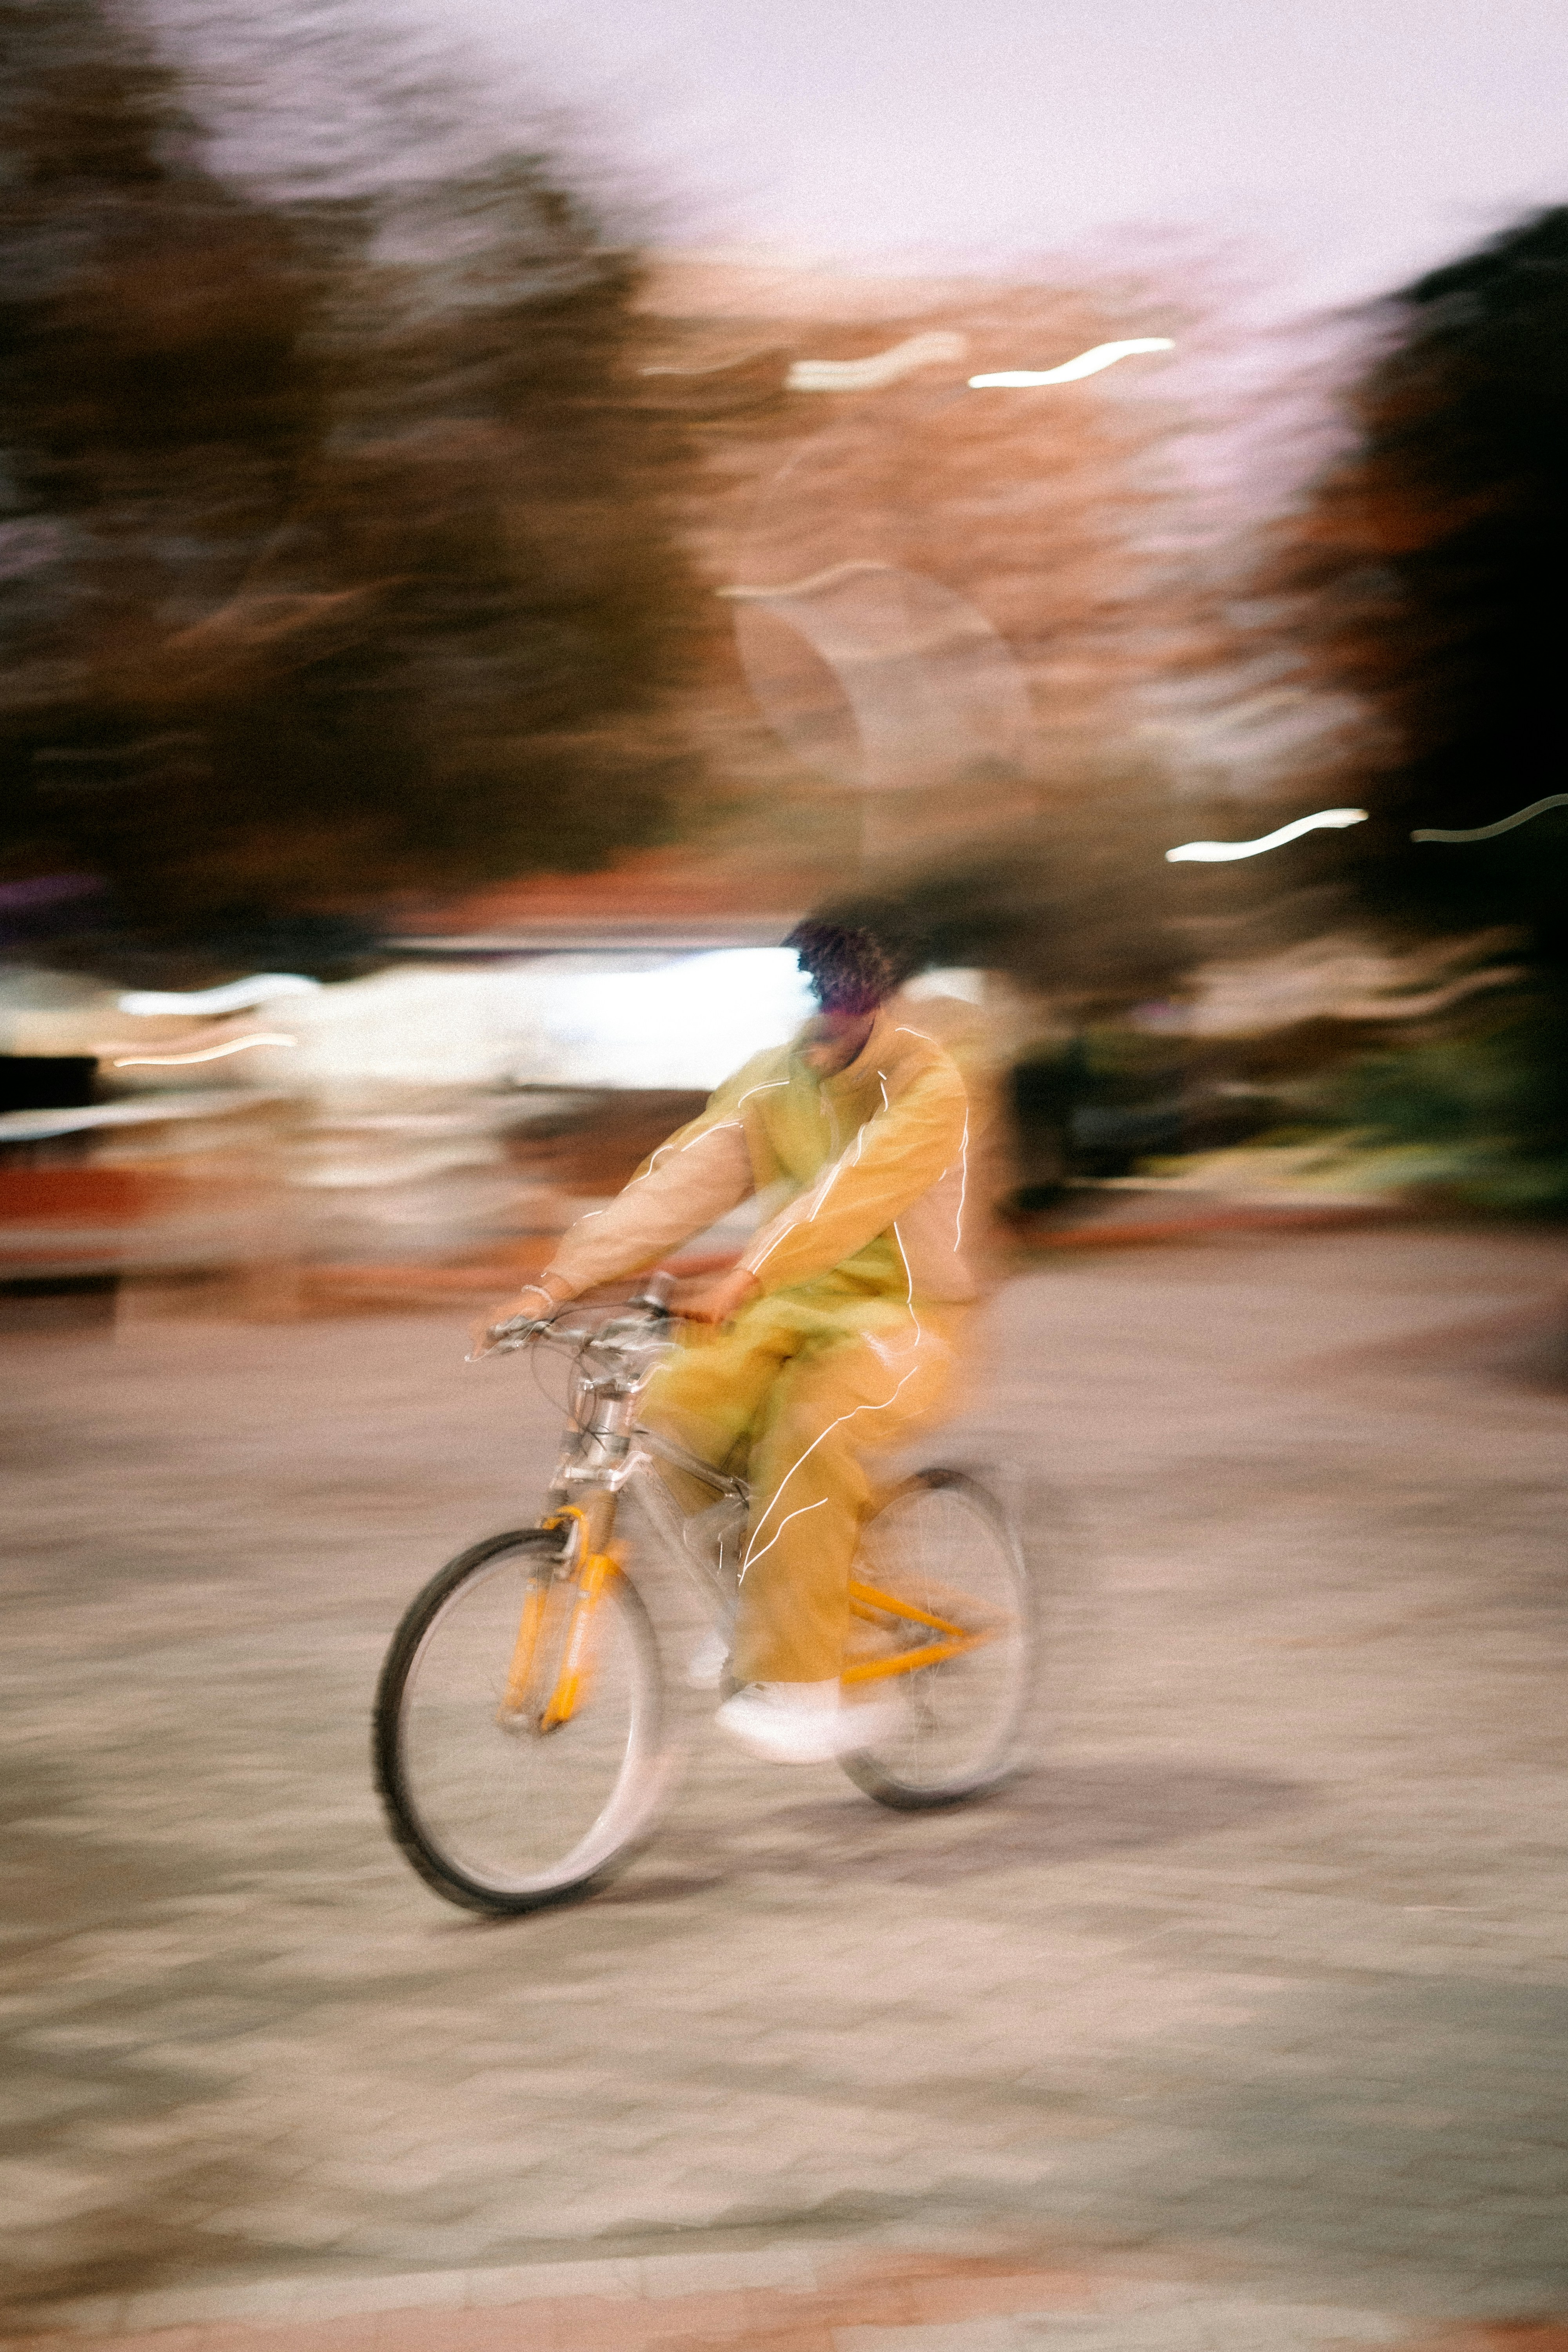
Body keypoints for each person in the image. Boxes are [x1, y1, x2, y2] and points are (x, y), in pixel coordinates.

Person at [478, 921, 978, 1764]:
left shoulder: (928, 1083)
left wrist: (746, 1275)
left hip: (904, 1318)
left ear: (886, 998)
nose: (839, 1014)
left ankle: (811, 1686)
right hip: (789, 1307)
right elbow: (679, 1182)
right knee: (676, 1409)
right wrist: (556, 1285)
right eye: (825, 992)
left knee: (809, 1428)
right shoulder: (775, 1080)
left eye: (857, 996)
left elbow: (852, 1192)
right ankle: (766, 1608)